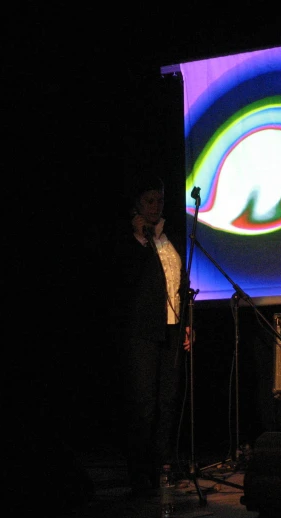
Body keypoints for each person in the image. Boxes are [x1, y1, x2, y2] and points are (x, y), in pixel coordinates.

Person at [113, 173, 192, 493]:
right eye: (149, 201)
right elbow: (128, 283)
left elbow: (179, 283)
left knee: (168, 400)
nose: (156, 206)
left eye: (159, 200)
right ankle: (140, 472)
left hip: (171, 329)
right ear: (136, 204)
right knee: (143, 402)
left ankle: (165, 464)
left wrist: (187, 322)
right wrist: (141, 238)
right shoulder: (128, 242)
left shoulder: (168, 236)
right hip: (141, 331)